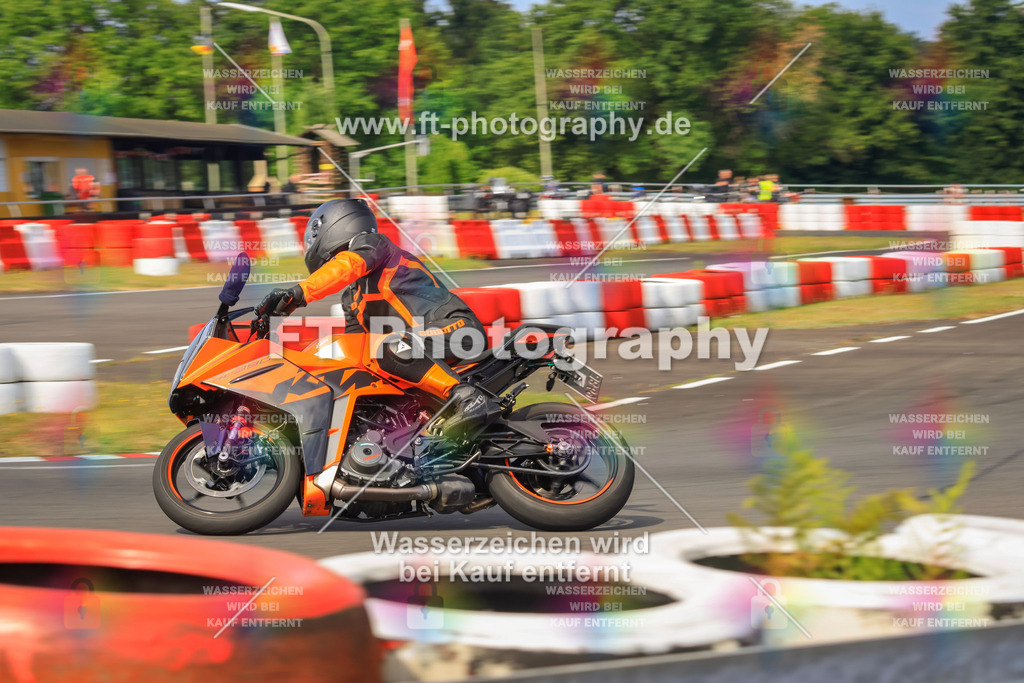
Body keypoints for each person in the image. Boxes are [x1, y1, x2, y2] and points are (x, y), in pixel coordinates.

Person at [256, 199, 499, 439]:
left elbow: (347, 266)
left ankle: (468, 396)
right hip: (413, 349)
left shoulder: (374, 245)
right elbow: (354, 349)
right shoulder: (351, 298)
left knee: (385, 346)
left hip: (456, 328)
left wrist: (297, 294)